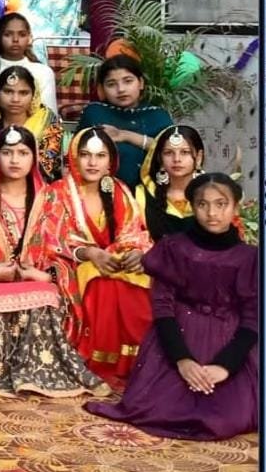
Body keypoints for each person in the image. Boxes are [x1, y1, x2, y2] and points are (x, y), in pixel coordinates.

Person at [85, 173, 257, 440]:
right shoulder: (173, 248)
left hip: (229, 343)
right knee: (157, 409)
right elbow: (162, 308)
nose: (212, 213)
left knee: (228, 418)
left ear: (235, 207)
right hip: (178, 337)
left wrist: (224, 367)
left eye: (221, 204)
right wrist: (183, 361)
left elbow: (253, 318)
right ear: (192, 207)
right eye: (202, 204)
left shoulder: (251, 258)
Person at [0, 126, 108, 397]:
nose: (15, 160)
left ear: (34, 157)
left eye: (23, 153)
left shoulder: (50, 198)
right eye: (7, 152)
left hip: (35, 278)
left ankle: (36, 374)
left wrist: (46, 276)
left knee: (44, 299)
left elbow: (63, 248)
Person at [43, 128, 153, 383]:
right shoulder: (57, 191)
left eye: (100, 156)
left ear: (110, 161)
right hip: (74, 263)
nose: (93, 163)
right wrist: (89, 253)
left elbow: (133, 229)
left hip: (116, 259)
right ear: (74, 157)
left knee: (140, 280)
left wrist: (135, 253)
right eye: (85, 155)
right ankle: (100, 361)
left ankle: (139, 360)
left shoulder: (119, 189)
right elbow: (51, 237)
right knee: (101, 282)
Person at [77, 55, 175, 189]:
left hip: (152, 192)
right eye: (111, 84)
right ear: (102, 89)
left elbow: (172, 151)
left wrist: (124, 135)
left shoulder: (158, 115)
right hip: (102, 191)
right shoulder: (95, 113)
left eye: (128, 81)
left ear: (141, 83)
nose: (121, 89)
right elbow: (77, 152)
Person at [0, 65, 65, 181]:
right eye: (8, 91)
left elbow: (48, 168)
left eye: (23, 93)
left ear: (34, 95)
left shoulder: (48, 123)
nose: (15, 99)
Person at [0, 12, 58, 115]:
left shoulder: (44, 72)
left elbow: (49, 115)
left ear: (30, 38)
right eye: (8, 35)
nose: (15, 40)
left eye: (22, 35)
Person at [135, 126, 207, 242]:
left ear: (199, 157)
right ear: (160, 158)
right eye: (168, 153)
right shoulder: (142, 196)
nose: (177, 159)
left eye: (185, 152)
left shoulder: (214, 193)